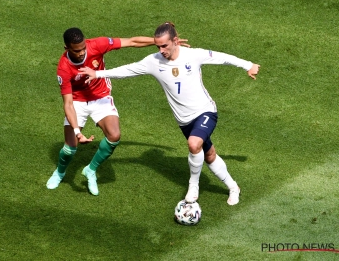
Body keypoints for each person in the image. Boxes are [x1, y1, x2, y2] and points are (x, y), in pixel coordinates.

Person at [79, 22, 260, 205]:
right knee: (209, 154)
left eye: (165, 45)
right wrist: (98, 74)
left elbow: (221, 57)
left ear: (175, 41)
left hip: (205, 111)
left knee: (193, 143)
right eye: (158, 46)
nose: (162, 50)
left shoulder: (193, 55)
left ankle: (193, 186)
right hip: (184, 121)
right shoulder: (153, 61)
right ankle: (233, 187)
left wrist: (248, 65)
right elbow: (128, 70)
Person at [46, 27, 188, 196]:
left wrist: (160, 43)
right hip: (77, 102)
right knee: (70, 149)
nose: (82, 53)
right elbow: (68, 104)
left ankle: (90, 170)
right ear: (67, 49)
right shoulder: (64, 67)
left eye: (83, 47)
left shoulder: (97, 45)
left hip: (101, 97)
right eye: (77, 51)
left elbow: (131, 41)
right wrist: (77, 133)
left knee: (114, 136)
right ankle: (60, 172)